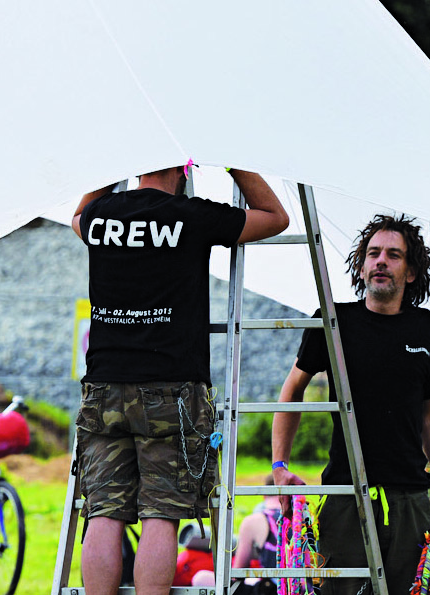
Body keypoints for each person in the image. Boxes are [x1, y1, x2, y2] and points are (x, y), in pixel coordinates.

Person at [70, 164, 289, 595]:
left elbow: (77, 216)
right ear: (183, 168)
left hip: (105, 385)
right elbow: (275, 217)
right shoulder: (191, 215)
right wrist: (231, 160)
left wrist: (116, 162)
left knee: (104, 513)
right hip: (173, 389)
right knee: (162, 513)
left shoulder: (100, 217)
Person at [271, 214, 430, 595]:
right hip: (345, 496)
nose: (381, 261)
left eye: (393, 255)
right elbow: (291, 390)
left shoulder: (428, 328)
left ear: (411, 272)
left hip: (409, 501)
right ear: (361, 268)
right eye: (373, 254)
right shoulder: (333, 322)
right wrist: (279, 466)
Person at [230, 477, 283, 595]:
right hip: (307, 589)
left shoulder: (254, 521)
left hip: (273, 590)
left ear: (264, 495)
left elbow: (238, 572)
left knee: (201, 578)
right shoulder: (305, 516)